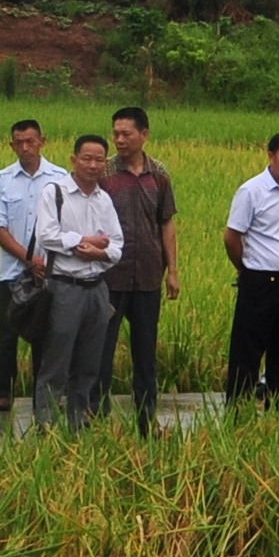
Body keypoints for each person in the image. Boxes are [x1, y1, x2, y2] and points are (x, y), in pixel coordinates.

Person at [31, 134, 126, 430]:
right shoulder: (55, 193)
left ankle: (78, 424)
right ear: (73, 160)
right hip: (64, 287)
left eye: (99, 160)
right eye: (87, 158)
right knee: (56, 362)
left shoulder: (104, 199)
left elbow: (117, 246)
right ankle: (46, 426)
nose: (93, 165)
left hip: (97, 289)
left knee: (89, 363)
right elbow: (46, 234)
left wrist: (99, 252)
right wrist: (82, 243)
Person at [100, 107, 179, 432]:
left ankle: (146, 418)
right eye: (115, 133)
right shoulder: (103, 173)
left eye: (126, 134)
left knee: (145, 352)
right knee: (101, 349)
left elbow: (167, 223)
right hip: (110, 277)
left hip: (148, 275)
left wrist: (173, 270)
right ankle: (97, 415)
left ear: (144, 135)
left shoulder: (159, 174)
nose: (119, 139)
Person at [223, 130, 279, 405]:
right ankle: (238, 409)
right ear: (271, 155)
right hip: (260, 280)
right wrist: (245, 268)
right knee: (248, 349)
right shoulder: (252, 190)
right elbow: (232, 236)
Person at [0, 117, 53, 422]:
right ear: (11, 145)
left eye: (30, 141)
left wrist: (45, 264)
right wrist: (28, 259)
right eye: (19, 142)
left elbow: (64, 225)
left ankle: (43, 393)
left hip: (48, 273)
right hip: (12, 271)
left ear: (42, 141)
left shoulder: (59, 178)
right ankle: (4, 391)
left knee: (43, 334)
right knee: (8, 333)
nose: (25, 147)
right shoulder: (3, 179)